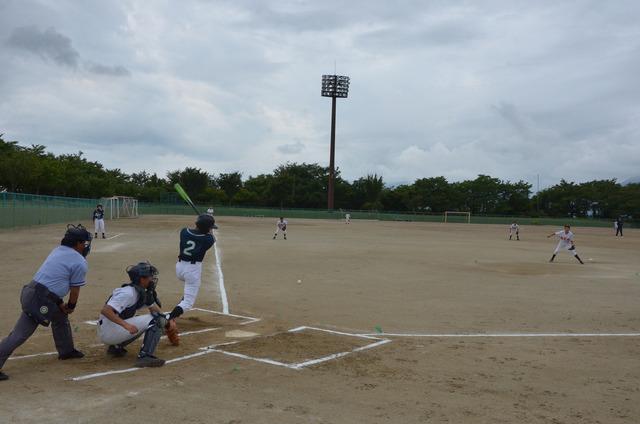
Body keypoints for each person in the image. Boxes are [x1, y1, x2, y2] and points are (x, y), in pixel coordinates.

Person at [0, 224, 92, 381]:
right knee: (20, 334)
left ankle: (66, 351)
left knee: (60, 317)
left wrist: (60, 304)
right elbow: (75, 290)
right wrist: (70, 306)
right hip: (39, 299)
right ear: (77, 243)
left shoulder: (58, 250)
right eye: (83, 243)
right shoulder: (79, 261)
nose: (85, 246)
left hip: (36, 292)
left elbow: (52, 281)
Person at [97, 261, 175, 368]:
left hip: (111, 329)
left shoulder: (140, 291)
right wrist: (126, 325)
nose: (152, 279)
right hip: (108, 330)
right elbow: (106, 310)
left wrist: (168, 320)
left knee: (157, 318)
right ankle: (145, 356)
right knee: (156, 320)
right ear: (142, 279)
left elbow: (155, 310)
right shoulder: (127, 293)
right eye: (150, 277)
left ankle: (116, 347)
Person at [166, 215, 217, 322]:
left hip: (179, 268)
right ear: (207, 228)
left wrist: (205, 224)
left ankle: (175, 313)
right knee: (188, 303)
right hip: (192, 271)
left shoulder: (184, 232)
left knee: (188, 293)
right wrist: (208, 227)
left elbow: (198, 232)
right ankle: (169, 319)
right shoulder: (208, 239)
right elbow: (212, 237)